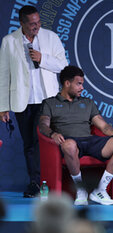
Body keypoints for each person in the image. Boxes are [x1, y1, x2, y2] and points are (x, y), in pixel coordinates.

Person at [0, 5, 68, 197]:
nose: (36, 27)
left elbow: (63, 66)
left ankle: (55, 183)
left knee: (48, 142)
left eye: (38, 22)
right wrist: (3, 107)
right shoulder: (9, 42)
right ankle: (35, 184)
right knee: (30, 144)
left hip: (48, 101)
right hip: (23, 101)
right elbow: (3, 76)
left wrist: (42, 58)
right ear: (21, 23)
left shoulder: (51, 37)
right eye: (31, 24)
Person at [38, 65, 113, 205]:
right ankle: (81, 191)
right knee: (69, 145)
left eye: (82, 84)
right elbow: (43, 125)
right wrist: (53, 134)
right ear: (67, 83)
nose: (82, 88)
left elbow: (103, 126)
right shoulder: (50, 103)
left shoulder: (88, 103)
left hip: (90, 141)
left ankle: (100, 190)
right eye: (78, 84)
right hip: (70, 143)